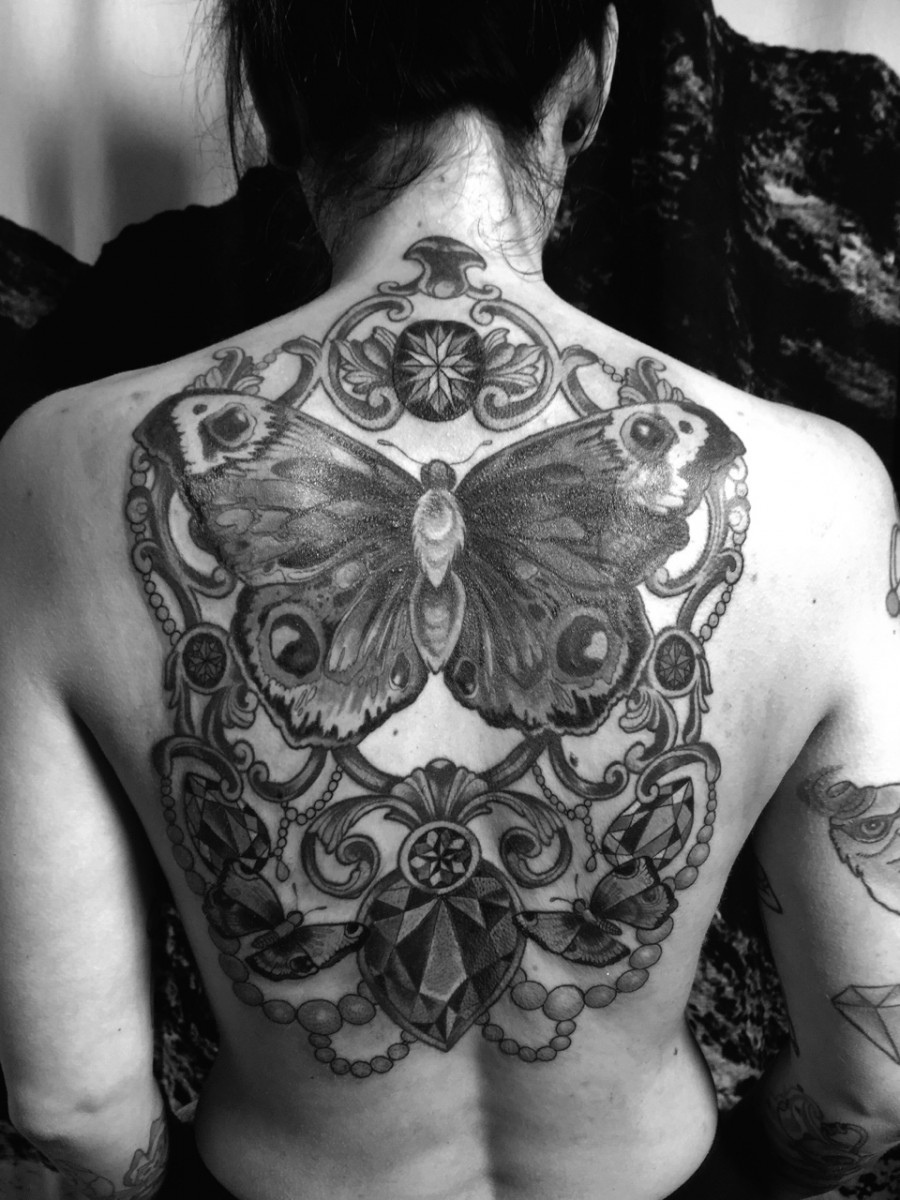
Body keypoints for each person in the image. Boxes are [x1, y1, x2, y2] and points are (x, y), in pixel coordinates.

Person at [0, 3, 898, 1197]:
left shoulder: (58, 472)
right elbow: (876, 1082)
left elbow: (73, 1110)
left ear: (271, 102)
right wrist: (758, 1174)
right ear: (593, 70)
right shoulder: (821, 494)